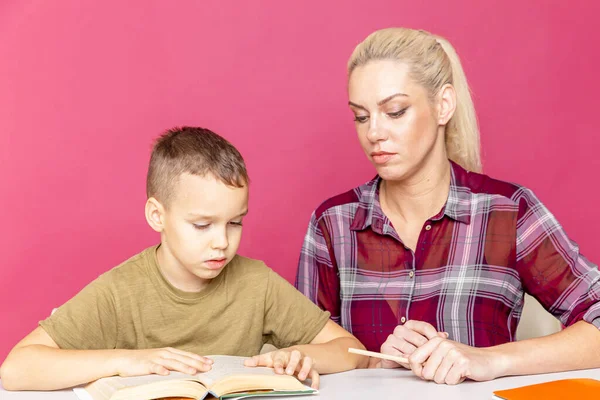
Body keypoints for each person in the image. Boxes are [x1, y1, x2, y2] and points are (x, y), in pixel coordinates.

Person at [295, 27, 600, 385]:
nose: (373, 133)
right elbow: (305, 352)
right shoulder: (332, 223)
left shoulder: (508, 212)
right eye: (361, 116)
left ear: (443, 106)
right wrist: (375, 363)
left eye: (394, 111)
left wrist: (488, 360)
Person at [0, 126, 368, 391]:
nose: (221, 243)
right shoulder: (120, 290)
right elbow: (16, 369)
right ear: (157, 216)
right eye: (202, 225)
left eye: (235, 223)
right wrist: (125, 360)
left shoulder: (257, 282)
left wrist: (301, 355)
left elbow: (350, 351)